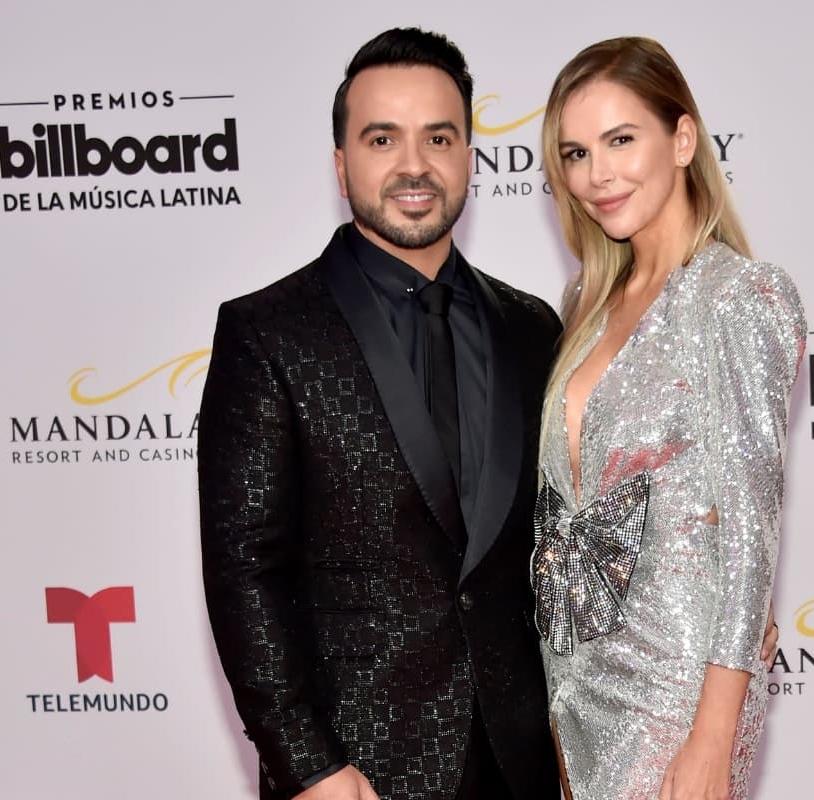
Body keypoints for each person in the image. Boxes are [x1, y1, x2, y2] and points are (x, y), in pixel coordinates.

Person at [197, 28, 561, 800]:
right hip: (354, 773)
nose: (413, 165)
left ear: (469, 156)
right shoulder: (268, 332)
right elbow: (244, 571)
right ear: (341, 164)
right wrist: (308, 765)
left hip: (520, 764)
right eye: (382, 138)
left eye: (439, 137)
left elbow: (556, 545)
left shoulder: (533, 328)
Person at [532, 37, 806, 799]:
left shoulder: (738, 298)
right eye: (577, 153)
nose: (598, 174)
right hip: (571, 686)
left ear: (682, 140)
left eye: (621, 140)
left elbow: (749, 532)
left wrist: (714, 732)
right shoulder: (583, 305)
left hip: (675, 691)